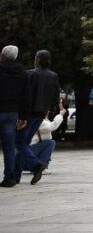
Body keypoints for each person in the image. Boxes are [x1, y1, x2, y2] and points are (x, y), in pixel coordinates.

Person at [17, 50, 60, 181]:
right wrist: (49, 111)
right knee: (23, 142)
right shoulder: (53, 76)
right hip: (40, 114)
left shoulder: (30, 74)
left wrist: (21, 115)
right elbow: (55, 97)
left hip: (28, 114)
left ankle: (36, 165)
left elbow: (24, 96)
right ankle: (15, 174)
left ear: (38, 60)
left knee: (19, 142)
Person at [1, 45, 28, 188]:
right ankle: (9, 177)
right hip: (12, 113)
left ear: (2, 55)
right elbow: (25, 97)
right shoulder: (23, 73)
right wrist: (23, 117)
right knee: (9, 147)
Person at [23, 102, 68, 183]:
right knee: (50, 143)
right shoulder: (38, 121)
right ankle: (42, 167)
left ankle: (36, 166)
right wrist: (60, 115)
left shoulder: (37, 119)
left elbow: (49, 126)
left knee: (49, 142)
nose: (48, 112)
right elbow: (51, 127)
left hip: (27, 154)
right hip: (27, 154)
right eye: (46, 110)